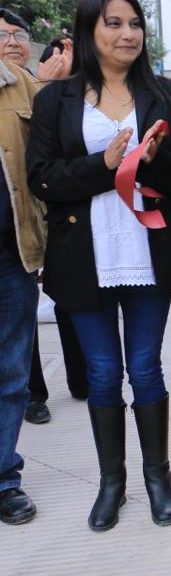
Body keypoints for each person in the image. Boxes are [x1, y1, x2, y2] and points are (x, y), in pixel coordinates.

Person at [26, 0, 171, 531]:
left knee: (145, 369)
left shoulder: (164, 92)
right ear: (90, 29)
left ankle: (158, 478)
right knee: (102, 375)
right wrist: (104, 164)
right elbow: (42, 180)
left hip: (148, 253)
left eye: (135, 23)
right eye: (114, 23)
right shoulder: (56, 100)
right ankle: (112, 483)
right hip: (85, 256)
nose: (128, 34)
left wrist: (153, 159)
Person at [0, 12, 86, 425]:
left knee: (17, 349)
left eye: (20, 34)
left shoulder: (30, 87)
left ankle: (40, 394)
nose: (14, 41)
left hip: (23, 236)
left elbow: (60, 139)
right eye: (4, 34)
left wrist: (54, 83)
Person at [0, 56, 43, 525]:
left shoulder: (20, 87)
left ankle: (3, 480)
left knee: (11, 376)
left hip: (11, 257)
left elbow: (46, 163)